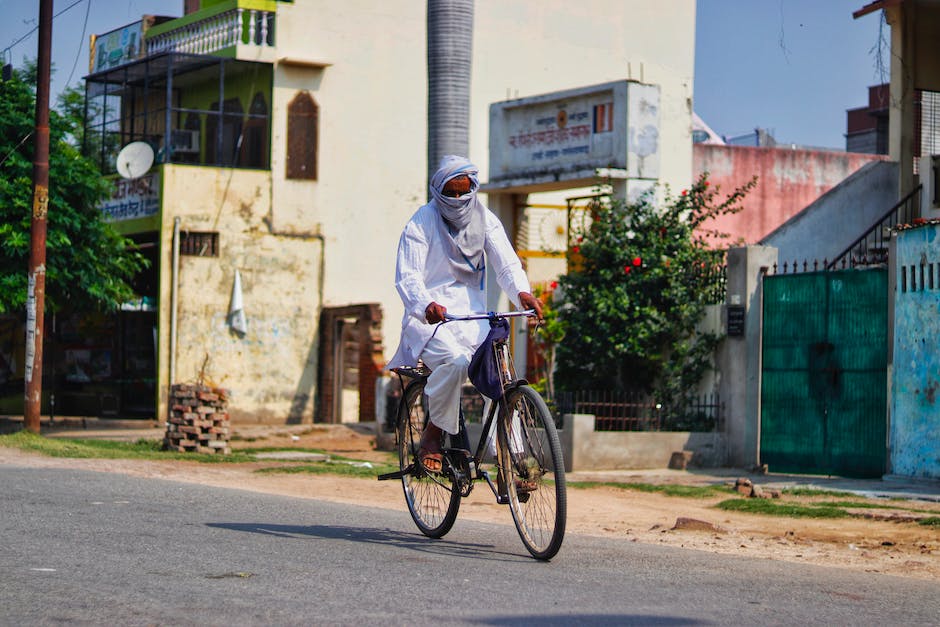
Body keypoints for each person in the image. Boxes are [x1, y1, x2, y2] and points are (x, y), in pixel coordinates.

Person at [388, 155, 543, 473]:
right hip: (432, 321)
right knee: (455, 362)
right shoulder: (422, 222)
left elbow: (507, 264)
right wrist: (425, 305)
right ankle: (433, 434)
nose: (458, 200)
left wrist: (522, 294)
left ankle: (513, 459)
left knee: (501, 380)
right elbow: (408, 277)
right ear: (438, 191)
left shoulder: (485, 219)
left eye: (464, 192)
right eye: (451, 193)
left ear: (473, 188)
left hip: (473, 319)